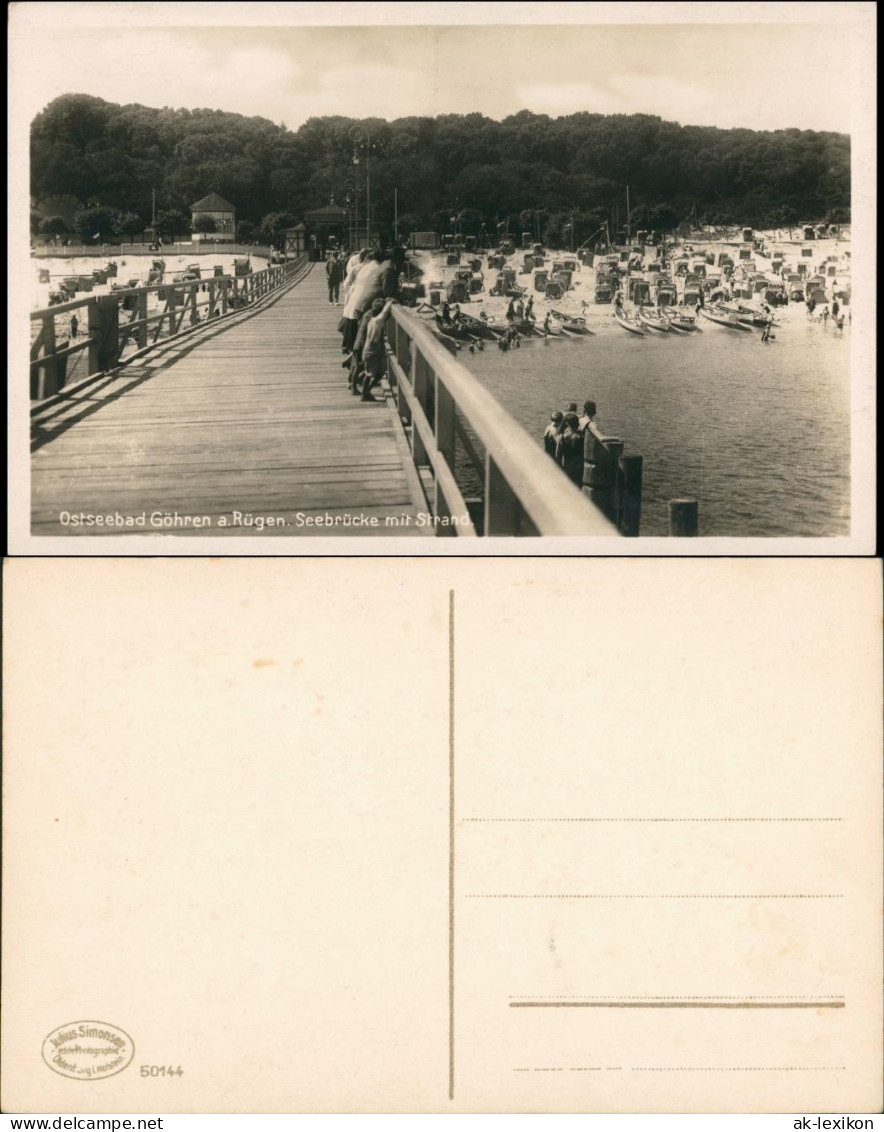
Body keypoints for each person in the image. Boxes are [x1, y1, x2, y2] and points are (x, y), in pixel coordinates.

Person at [340, 251, 384, 353]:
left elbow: (347, 283)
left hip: (355, 296)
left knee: (351, 322)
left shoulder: (362, 267)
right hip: (360, 297)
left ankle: (348, 347)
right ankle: (353, 351)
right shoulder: (372, 268)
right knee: (355, 325)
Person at [360, 298, 397, 402]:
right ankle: (365, 393)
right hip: (371, 351)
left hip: (371, 350)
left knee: (377, 372)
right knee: (370, 374)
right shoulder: (377, 321)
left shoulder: (372, 319)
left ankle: (366, 391)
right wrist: (390, 302)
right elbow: (384, 313)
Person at [555, 413, 585, 487]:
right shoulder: (581, 437)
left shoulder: (561, 438)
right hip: (579, 468)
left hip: (567, 467)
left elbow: (557, 456)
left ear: (567, 424)